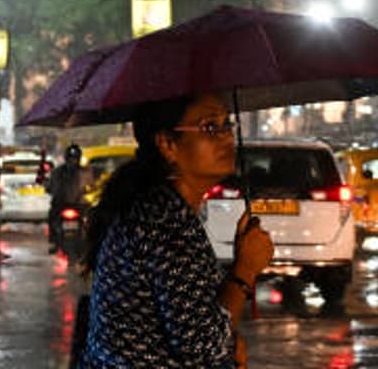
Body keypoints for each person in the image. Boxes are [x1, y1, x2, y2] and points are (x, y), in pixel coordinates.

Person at [80, 95, 274, 369]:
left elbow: (195, 320)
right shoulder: (163, 221)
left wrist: (231, 342)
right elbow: (205, 348)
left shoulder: (163, 208)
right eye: (210, 127)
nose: (226, 137)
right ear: (168, 145)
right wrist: (245, 270)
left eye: (227, 124)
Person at [46, 143, 87, 255]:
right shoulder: (58, 172)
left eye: (75, 158)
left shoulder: (84, 171)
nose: (73, 161)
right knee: (52, 218)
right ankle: (53, 240)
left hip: (77, 205)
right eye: (71, 158)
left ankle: (53, 241)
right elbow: (51, 186)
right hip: (64, 205)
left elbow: (90, 185)